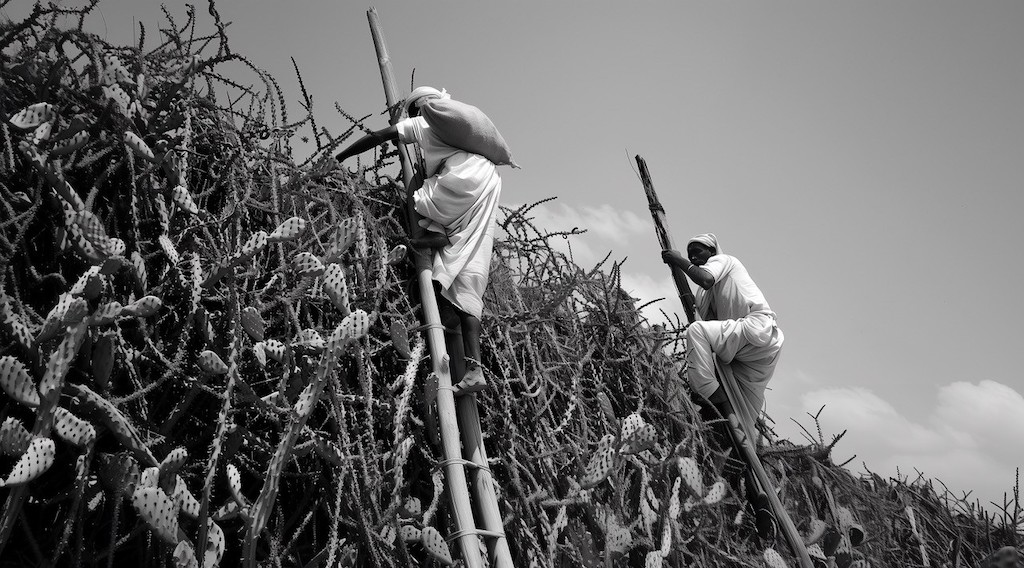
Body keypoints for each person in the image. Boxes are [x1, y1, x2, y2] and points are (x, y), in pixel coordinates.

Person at [335, 87, 502, 395]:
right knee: (467, 270)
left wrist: (340, 156)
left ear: (416, 110)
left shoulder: (425, 121)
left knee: (419, 193)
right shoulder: (457, 133)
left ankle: (434, 235)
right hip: (486, 182)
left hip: (462, 180)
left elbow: (378, 137)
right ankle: (475, 368)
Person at [662, 232, 783, 539]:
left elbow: (702, 279)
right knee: (742, 435)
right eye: (689, 253)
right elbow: (702, 300)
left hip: (755, 329)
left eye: (698, 250)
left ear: (712, 250)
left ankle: (716, 399)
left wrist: (677, 261)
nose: (694, 256)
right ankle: (759, 501)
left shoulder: (724, 262)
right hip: (741, 357)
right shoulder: (706, 297)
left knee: (696, 332)